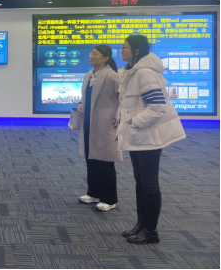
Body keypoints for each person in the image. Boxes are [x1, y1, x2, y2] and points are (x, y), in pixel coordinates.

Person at [116, 35, 186, 244]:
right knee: (140, 182)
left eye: (125, 47)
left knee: (149, 183)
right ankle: (141, 223)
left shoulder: (145, 73)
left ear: (136, 51)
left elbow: (157, 108)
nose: (121, 51)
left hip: (148, 136)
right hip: (137, 136)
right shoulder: (129, 72)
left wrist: (134, 122)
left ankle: (151, 231)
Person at [77, 45, 122, 212]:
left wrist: (118, 116)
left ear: (105, 58)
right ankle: (94, 193)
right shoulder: (88, 75)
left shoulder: (113, 76)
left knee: (105, 161)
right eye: (91, 53)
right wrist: (80, 103)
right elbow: (85, 96)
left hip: (106, 123)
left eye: (96, 54)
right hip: (89, 122)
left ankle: (110, 199)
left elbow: (124, 98)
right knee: (91, 158)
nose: (92, 56)